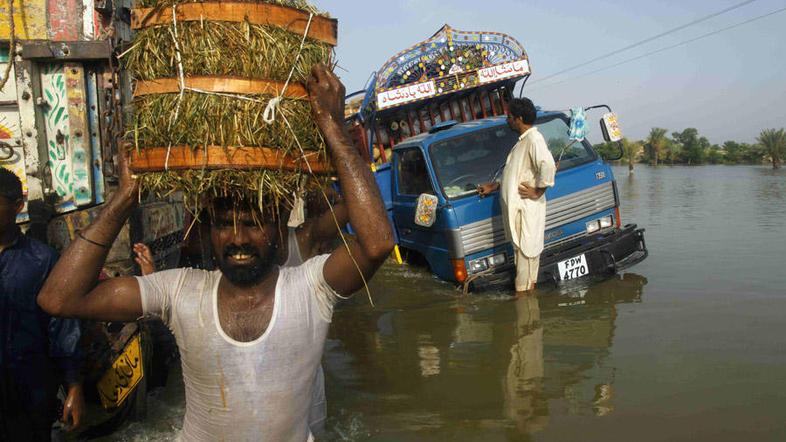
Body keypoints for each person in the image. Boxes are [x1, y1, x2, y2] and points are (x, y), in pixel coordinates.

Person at [37, 64, 395, 441]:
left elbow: (376, 243)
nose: (237, 238)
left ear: (278, 225)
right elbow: (58, 299)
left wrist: (334, 130)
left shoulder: (310, 287)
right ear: (208, 232)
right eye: (224, 224)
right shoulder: (180, 291)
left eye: (253, 223)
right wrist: (124, 199)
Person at [0, 168, 85, 441]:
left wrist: (74, 386)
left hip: (30, 388)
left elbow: (61, 327)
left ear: (17, 206)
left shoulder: (42, 260)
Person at [478, 98, 556, 293]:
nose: (507, 120)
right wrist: (495, 186)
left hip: (526, 212)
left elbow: (548, 165)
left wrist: (538, 191)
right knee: (523, 261)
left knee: (526, 263)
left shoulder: (534, 139)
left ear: (519, 119)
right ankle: (527, 311)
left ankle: (525, 311)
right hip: (520, 214)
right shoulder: (523, 142)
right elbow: (518, 174)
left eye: (509, 117)